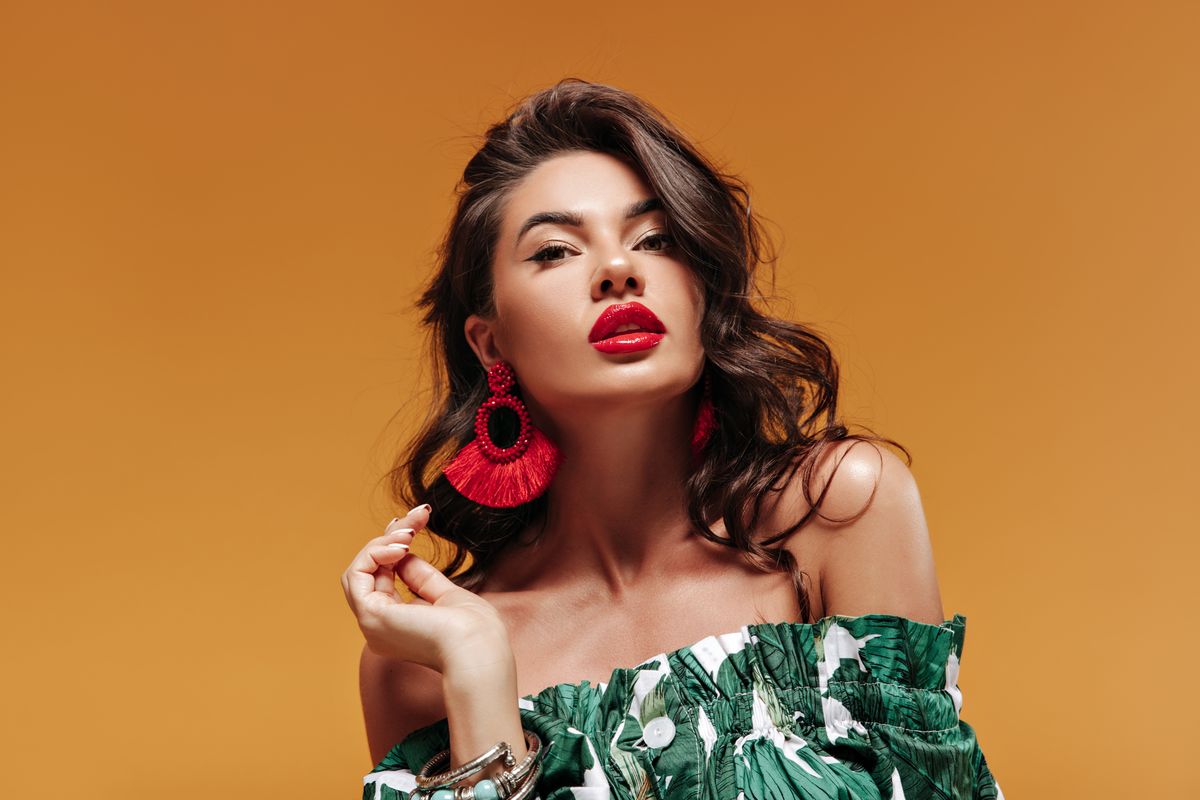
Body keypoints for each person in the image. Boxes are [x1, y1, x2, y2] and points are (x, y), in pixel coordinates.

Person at [341, 78, 1004, 800]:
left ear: (702, 290)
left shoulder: (839, 512)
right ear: (490, 343)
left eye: (656, 239)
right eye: (556, 251)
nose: (620, 270)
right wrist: (475, 670)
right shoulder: (419, 663)